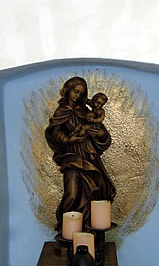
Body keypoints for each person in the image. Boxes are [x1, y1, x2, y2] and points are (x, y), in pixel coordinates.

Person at [45, 77, 115, 233]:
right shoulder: (61, 111)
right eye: (76, 91)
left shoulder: (86, 111)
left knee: (94, 191)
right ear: (68, 90)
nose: (78, 96)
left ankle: (89, 230)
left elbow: (102, 134)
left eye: (81, 93)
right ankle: (67, 231)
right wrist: (68, 139)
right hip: (72, 156)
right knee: (72, 192)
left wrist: (101, 134)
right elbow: (54, 132)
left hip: (89, 156)